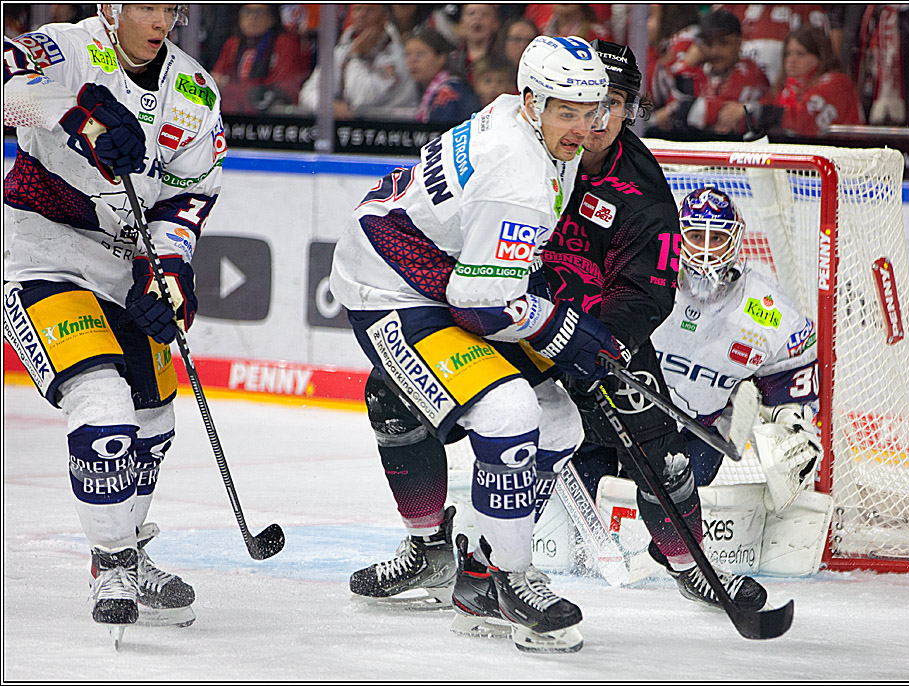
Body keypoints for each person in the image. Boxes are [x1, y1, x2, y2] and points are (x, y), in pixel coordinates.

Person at [330, 36, 618, 654]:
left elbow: (489, 274)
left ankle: (481, 572)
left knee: (559, 421)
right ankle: (508, 580)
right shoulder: (517, 176)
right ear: (534, 101)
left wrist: (549, 314)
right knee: (510, 409)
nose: (583, 126)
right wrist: (561, 329)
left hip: (442, 269)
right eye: (566, 110)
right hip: (387, 284)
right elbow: (479, 304)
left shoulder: (520, 117)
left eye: (591, 110)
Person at [496, 40, 767, 615]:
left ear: (629, 109)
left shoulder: (644, 195)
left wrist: (595, 343)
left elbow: (648, 294)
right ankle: (452, 552)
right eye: (586, 100)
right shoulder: (524, 147)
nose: (595, 118)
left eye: (612, 103)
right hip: (512, 316)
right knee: (490, 427)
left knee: (661, 457)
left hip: (595, 334)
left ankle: (690, 565)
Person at [3, 3, 223, 633]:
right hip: (46, 256)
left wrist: (170, 274)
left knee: (154, 417)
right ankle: (112, 561)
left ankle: (129, 544)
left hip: (126, 270)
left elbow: (188, 197)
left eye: (171, 9)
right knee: (101, 400)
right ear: (111, 8)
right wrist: (79, 118)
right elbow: (8, 84)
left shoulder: (192, 89)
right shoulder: (65, 47)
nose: (161, 21)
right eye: (146, 6)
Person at [648, 186, 822, 569]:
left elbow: (790, 379)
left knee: (684, 485)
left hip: (699, 432)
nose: (707, 248)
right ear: (678, 235)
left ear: (736, 240)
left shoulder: (766, 308)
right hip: (631, 417)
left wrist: (792, 430)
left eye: (717, 237)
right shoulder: (646, 275)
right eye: (696, 236)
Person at [652, 9, 770, 137]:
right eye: (709, 43)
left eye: (723, 43)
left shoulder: (749, 72)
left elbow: (712, 115)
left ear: (738, 42)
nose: (715, 51)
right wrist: (687, 65)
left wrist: (676, 112)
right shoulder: (699, 71)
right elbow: (668, 102)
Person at [297, 3, 416, 119]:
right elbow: (308, 92)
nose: (362, 14)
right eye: (358, 9)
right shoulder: (341, 50)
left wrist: (356, 56)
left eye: (370, 9)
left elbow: (361, 100)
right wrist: (327, 105)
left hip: (393, 128)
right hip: (351, 130)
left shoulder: (398, 54)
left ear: (385, 17)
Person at [763, 25, 862, 137]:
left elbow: (801, 125)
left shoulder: (836, 83)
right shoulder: (784, 89)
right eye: (788, 54)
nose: (791, 60)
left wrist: (760, 114)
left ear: (820, 57)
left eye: (800, 54)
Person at [211, 4, 310, 115]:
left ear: (272, 17)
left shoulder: (286, 44)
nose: (253, 18)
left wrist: (230, 88)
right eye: (247, 11)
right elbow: (216, 82)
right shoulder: (232, 44)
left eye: (260, 12)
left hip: (272, 119)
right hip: (234, 117)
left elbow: (277, 92)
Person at [404, 27, 481, 125]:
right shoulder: (430, 89)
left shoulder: (450, 91)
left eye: (419, 54)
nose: (412, 61)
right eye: (407, 55)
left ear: (441, 58)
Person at [449, 4, 501, 83]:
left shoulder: (503, 58)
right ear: (461, 23)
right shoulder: (452, 60)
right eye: (471, 13)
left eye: (484, 14)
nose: (477, 18)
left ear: (495, 23)